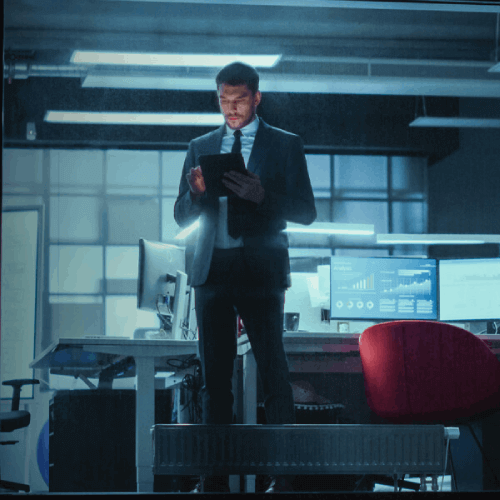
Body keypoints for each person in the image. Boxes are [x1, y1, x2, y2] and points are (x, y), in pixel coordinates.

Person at [174, 62, 316, 492]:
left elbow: (306, 211)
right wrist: (197, 194)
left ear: (257, 98)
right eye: (223, 100)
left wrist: (261, 195)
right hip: (211, 270)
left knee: (274, 374)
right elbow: (180, 213)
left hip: (260, 271)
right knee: (214, 382)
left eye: (238, 100)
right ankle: (213, 477)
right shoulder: (200, 145)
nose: (230, 109)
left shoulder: (284, 144)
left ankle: (285, 477)